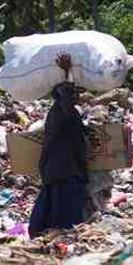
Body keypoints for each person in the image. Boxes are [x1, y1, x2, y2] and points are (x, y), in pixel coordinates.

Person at [29, 53, 89, 238]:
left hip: (55, 170)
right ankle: (61, 239)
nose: (79, 96)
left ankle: (47, 236)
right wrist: (66, 71)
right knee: (66, 215)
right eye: (76, 93)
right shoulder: (65, 111)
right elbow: (66, 96)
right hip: (66, 171)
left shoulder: (57, 112)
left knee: (51, 210)